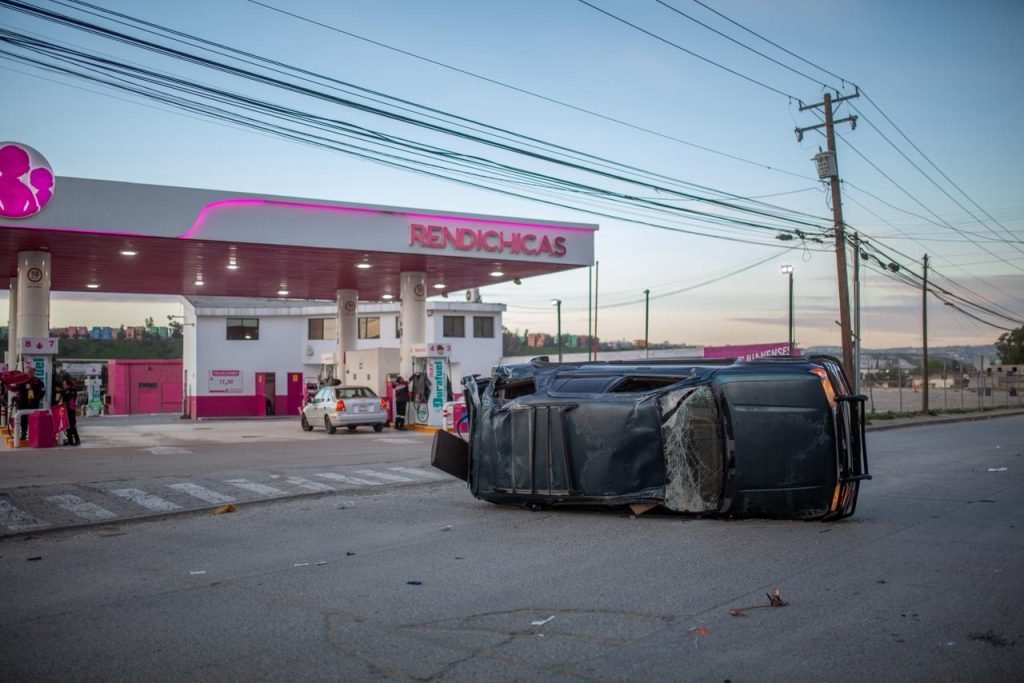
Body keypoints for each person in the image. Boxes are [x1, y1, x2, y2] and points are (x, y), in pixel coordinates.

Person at [17, 365, 44, 441]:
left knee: (34, 418)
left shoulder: (37, 380)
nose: (29, 373)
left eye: (31, 372)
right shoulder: (22, 380)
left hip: (34, 402)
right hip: (24, 402)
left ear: (33, 372)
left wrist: (38, 397)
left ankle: (33, 434)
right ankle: (23, 433)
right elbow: (18, 390)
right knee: (24, 419)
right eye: (28, 372)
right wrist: (19, 396)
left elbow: (43, 390)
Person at [60, 378, 81, 446]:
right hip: (66, 411)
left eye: (64, 384)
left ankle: (77, 440)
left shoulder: (72, 391)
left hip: (71, 411)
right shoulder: (65, 391)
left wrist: (63, 393)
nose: (63, 385)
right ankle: (70, 440)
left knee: (72, 426)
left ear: (68, 385)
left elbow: (66, 398)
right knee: (67, 426)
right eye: (63, 384)